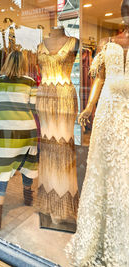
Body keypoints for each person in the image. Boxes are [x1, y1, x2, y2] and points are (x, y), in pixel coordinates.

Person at [66, 1, 129, 265]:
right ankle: (97, 238)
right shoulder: (107, 42)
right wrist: (89, 107)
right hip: (107, 109)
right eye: (125, 10)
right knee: (103, 168)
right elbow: (100, 79)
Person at [0, 50, 38, 230]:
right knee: (26, 163)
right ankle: (28, 197)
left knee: (3, 170)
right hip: (26, 130)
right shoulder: (30, 83)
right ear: (24, 64)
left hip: (3, 132)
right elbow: (34, 107)